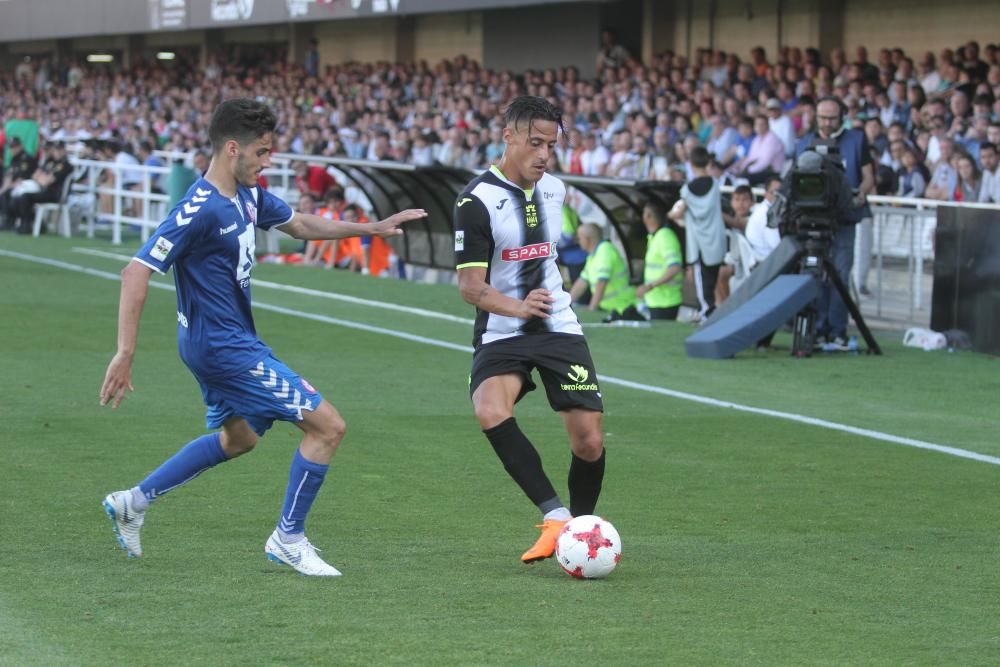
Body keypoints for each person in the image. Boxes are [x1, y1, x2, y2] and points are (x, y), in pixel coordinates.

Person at [98, 98, 426, 576]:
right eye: (264, 152)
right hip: (223, 347)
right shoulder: (199, 208)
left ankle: (134, 501)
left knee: (240, 439)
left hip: (219, 342)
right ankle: (288, 538)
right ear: (233, 149)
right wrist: (125, 353)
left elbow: (300, 224)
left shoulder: (248, 195)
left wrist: (371, 228)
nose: (269, 161)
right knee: (328, 426)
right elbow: (136, 271)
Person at [454, 96, 606, 565]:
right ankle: (556, 517)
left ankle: (579, 534)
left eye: (551, 146)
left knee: (589, 440)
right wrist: (518, 307)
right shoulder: (475, 201)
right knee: (489, 409)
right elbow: (471, 288)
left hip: (557, 324)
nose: (543, 154)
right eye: (535, 143)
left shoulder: (556, 191)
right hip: (503, 327)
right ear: (509, 137)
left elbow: (548, 256)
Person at [794, 97, 874, 348]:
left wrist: (859, 195)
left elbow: (868, 176)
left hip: (845, 219)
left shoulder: (857, 140)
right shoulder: (804, 143)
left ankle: (837, 330)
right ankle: (816, 328)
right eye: (822, 117)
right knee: (815, 275)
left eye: (832, 117)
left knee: (840, 273)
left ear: (842, 116)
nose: (827, 123)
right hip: (814, 219)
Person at [668, 146, 727, 318]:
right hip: (716, 240)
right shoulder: (715, 185)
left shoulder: (687, 190)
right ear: (708, 162)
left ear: (691, 164)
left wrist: (670, 215)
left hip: (700, 244)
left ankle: (707, 314)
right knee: (713, 279)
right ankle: (711, 312)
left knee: (703, 283)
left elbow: (678, 212)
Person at [570, 222, 639, 320]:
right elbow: (582, 282)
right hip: (611, 308)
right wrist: (566, 303)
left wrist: (592, 307)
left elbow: (602, 281)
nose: (578, 241)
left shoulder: (605, 250)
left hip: (622, 307)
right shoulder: (593, 256)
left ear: (587, 239)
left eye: (579, 238)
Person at [636, 200, 683, 320]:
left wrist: (649, 286)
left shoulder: (665, 237)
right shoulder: (655, 237)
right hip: (656, 300)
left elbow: (675, 268)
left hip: (666, 301)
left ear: (648, 216)